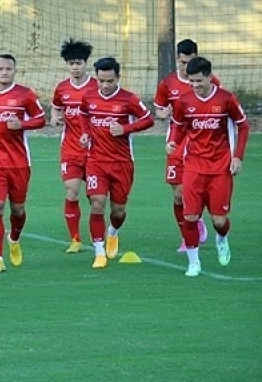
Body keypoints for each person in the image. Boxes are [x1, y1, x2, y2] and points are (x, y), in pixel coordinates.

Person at [167, 57, 248, 277]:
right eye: (191, 81)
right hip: (193, 166)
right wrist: (173, 140)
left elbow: (243, 126)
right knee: (190, 217)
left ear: (209, 77)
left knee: (219, 221)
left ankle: (221, 238)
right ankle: (194, 262)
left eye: (199, 81)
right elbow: (179, 125)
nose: (195, 85)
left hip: (220, 168)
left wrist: (237, 157)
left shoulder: (226, 99)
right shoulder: (184, 101)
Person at [79, 57, 154, 269]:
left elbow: (148, 119)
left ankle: (112, 232)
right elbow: (84, 115)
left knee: (118, 210)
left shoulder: (128, 99)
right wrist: (86, 134)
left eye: (109, 81)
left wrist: (125, 129)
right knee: (97, 203)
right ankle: (99, 250)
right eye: (101, 81)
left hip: (122, 162)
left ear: (118, 78)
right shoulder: (89, 97)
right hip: (96, 161)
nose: (104, 85)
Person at [0, 54, 46, 273]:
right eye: (1, 69)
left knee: (18, 209)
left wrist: (22, 124)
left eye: (9, 69)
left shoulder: (25, 95)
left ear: (15, 71)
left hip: (18, 163)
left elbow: (41, 119)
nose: (4, 72)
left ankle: (14, 238)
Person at [154, 39, 214, 251]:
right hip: (177, 144)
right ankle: (189, 232)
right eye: (182, 62)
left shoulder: (209, 80)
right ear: (177, 60)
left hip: (203, 144)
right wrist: (163, 113)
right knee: (178, 193)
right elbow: (159, 109)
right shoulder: (168, 83)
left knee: (202, 191)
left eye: (189, 61)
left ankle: (197, 220)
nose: (185, 66)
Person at [49, 39, 98, 254]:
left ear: (86, 63)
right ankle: (75, 239)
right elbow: (55, 107)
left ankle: (100, 236)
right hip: (70, 149)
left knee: (96, 198)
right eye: (71, 63)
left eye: (78, 63)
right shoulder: (62, 88)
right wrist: (55, 118)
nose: (75, 67)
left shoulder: (97, 86)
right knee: (72, 192)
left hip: (96, 150)